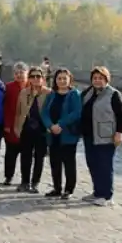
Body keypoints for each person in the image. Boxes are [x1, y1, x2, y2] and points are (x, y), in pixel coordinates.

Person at [80, 66, 122, 207]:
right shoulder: (88, 92)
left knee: (104, 165)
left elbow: (121, 116)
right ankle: (97, 191)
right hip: (89, 135)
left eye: (100, 78)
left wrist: (119, 133)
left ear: (106, 79)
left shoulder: (113, 94)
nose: (97, 81)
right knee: (92, 163)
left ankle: (106, 195)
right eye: (95, 78)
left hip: (106, 136)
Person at [41, 68, 82, 200]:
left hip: (68, 134)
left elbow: (76, 112)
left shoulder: (74, 94)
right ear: (55, 80)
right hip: (53, 134)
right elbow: (45, 112)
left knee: (69, 162)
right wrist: (50, 125)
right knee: (55, 161)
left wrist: (60, 124)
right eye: (59, 78)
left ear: (70, 79)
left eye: (65, 78)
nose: (62, 81)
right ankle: (57, 188)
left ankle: (69, 189)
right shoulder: (51, 95)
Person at [13, 66, 50, 193]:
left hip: (42, 129)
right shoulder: (24, 93)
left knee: (39, 157)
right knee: (25, 156)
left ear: (43, 78)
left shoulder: (48, 93)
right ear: (29, 78)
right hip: (27, 128)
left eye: (38, 76)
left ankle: (35, 182)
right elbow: (18, 112)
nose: (35, 79)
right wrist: (17, 128)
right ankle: (24, 181)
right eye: (32, 76)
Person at [2, 62, 29, 185]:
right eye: (17, 73)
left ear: (26, 73)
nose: (19, 75)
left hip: (27, 126)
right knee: (10, 154)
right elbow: (5, 107)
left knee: (26, 155)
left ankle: (25, 179)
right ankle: (8, 176)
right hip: (12, 124)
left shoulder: (32, 86)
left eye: (21, 72)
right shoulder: (9, 87)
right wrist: (6, 125)